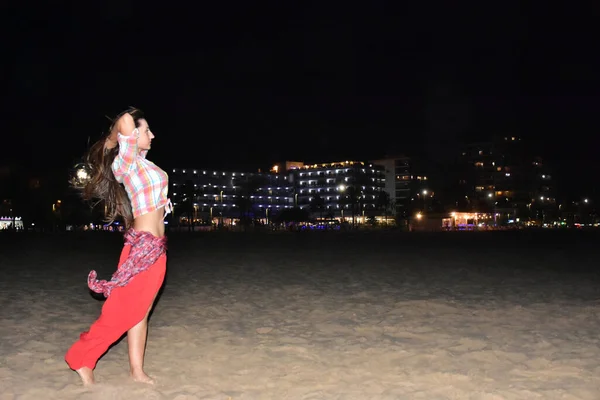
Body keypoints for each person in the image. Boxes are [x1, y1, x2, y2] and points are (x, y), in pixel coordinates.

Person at [65, 107, 172, 385]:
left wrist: (132, 137)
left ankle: (136, 370)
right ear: (133, 135)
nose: (153, 134)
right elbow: (125, 120)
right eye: (146, 130)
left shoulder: (143, 162)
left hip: (157, 248)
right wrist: (114, 139)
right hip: (141, 249)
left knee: (141, 311)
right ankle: (81, 358)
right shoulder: (126, 163)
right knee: (120, 312)